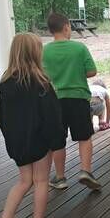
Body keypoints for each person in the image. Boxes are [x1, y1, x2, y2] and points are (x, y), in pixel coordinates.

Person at [0, 33, 65, 218]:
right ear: (36, 53)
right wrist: (57, 141)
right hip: (40, 142)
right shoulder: (41, 84)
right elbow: (52, 117)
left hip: (19, 143)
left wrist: (12, 140)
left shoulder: (6, 85)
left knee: (24, 181)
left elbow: (2, 117)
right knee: (41, 181)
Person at [43, 12, 101, 191]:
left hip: (55, 101)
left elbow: (42, 76)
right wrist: (76, 73)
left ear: (51, 30)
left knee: (58, 140)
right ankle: (86, 171)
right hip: (78, 99)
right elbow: (92, 71)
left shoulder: (45, 51)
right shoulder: (79, 48)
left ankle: (60, 178)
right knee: (84, 136)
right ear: (67, 27)